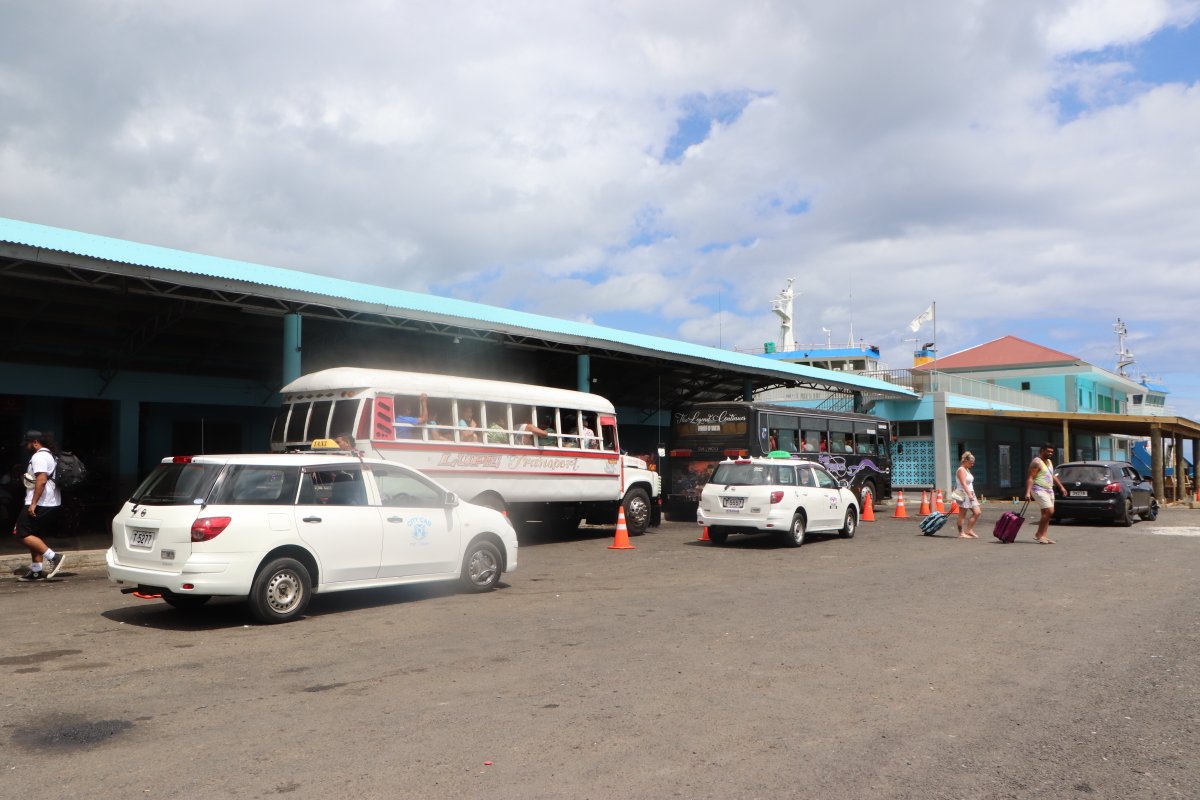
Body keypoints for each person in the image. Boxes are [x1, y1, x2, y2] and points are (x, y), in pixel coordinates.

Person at [15, 431, 67, 581]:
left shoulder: (39, 456)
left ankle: (54, 557)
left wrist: (33, 504)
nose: (26, 446)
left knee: (21, 533)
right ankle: (36, 571)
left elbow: (42, 480)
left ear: (35, 442)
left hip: (41, 502)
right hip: (49, 501)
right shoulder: (49, 455)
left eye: (28, 443)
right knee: (34, 535)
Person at [1025, 443, 1067, 544]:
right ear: (1042, 451)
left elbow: (1052, 475)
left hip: (1049, 489)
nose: (1050, 453)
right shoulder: (1036, 462)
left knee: (1046, 514)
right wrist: (1027, 493)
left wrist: (1061, 487)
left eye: (1052, 452)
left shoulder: (1049, 462)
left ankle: (1043, 535)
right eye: (1048, 451)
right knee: (1049, 511)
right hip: (1038, 489)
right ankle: (1038, 534)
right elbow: (1031, 478)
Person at [955, 451, 981, 538]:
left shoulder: (967, 469)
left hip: (970, 493)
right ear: (965, 461)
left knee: (977, 512)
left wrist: (971, 494)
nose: (972, 465)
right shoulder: (961, 470)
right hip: (963, 493)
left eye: (973, 463)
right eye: (971, 463)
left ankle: (969, 530)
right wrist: (969, 494)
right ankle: (961, 533)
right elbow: (963, 484)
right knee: (962, 514)